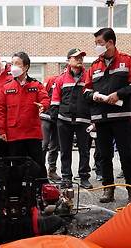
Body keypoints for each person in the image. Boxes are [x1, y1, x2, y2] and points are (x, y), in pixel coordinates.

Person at [83, 28, 131, 203]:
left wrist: (119, 94)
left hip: (122, 118)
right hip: (101, 119)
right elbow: (86, 89)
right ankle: (108, 189)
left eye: (99, 43)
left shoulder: (127, 61)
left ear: (110, 43)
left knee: (127, 154)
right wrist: (92, 95)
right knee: (104, 155)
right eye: (96, 44)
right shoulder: (94, 65)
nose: (97, 47)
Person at [0, 51, 50, 175]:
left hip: (32, 133)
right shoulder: (6, 88)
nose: (13, 67)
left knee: (38, 164)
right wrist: (1, 130)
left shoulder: (36, 85)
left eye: (17, 64)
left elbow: (45, 99)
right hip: (14, 134)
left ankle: (39, 190)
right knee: (18, 167)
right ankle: (20, 192)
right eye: (12, 63)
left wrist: (43, 106)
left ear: (26, 67)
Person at [51, 48, 92, 189]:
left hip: (83, 121)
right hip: (64, 120)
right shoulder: (60, 79)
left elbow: (92, 100)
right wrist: (55, 118)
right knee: (65, 150)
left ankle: (84, 177)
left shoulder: (89, 78)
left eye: (81, 57)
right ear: (68, 60)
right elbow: (55, 100)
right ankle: (66, 178)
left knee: (85, 151)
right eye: (76, 57)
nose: (80, 60)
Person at [40, 74, 60, 181]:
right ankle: (40, 170)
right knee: (44, 143)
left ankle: (52, 170)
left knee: (55, 145)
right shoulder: (51, 79)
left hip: (57, 117)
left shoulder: (63, 80)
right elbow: (44, 96)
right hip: (46, 116)